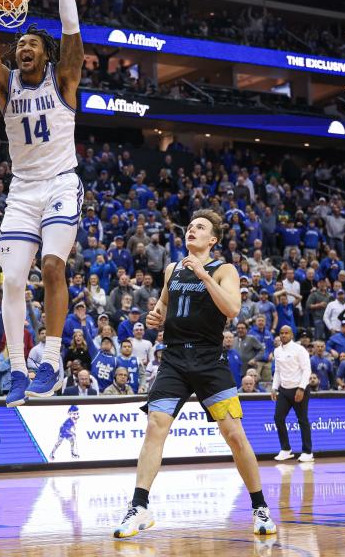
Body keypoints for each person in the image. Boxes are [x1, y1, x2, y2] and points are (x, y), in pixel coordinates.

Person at [115, 209, 277, 538]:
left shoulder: (224, 269)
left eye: (199, 227)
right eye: (189, 226)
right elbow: (162, 306)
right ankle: (139, 507)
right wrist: (156, 317)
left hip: (208, 360)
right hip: (173, 359)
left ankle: (260, 508)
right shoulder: (173, 269)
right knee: (155, 426)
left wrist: (204, 275)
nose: (191, 230)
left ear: (212, 239)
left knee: (234, 435)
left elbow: (232, 309)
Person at [0, 0, 84, 407]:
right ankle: (18, 369)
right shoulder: (5, 87)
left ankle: (52, 359)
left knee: (53, 268)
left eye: (33, 43)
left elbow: (72, 35)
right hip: (22, 190)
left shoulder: (66, 79)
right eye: (19, 43)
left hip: (60, 182)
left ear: (46, 54)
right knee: (13, 281)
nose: (24, 47)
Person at [271, 326, 313, 463]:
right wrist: (274, 388)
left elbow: (307, 370)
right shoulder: (277, 351)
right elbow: (277, 371)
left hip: (299, 389)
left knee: (302, 420)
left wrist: (301, 388)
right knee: (278, 418)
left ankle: (307, 452)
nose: (283, 335)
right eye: (281, 333)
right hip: (283, 390)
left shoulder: (299, 350)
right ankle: (286, 449)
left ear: (291, 335)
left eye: (286, 333)